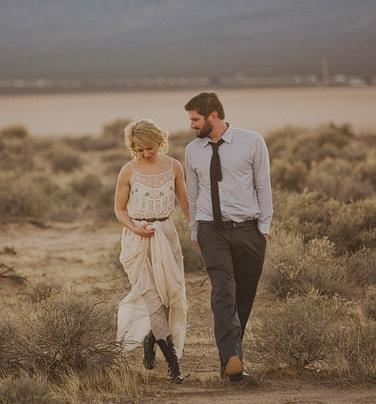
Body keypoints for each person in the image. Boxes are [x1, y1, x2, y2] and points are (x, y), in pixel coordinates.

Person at [183, 92, 272, 382]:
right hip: (211, 229)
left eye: (195, 119)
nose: (192, 126)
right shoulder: (192, 150)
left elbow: (263, 185)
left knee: (243, 297)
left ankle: (229, 361)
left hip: (249, 231)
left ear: (213, 116)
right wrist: (195, 230)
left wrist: (264, 229)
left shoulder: (252, 141)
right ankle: (233, 359)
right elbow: (193, 195)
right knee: (223, 291)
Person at [115, 119, 190, 383]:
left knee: (169, 300)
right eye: (139, 150)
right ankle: (174, 366)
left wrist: (197, 232)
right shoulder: (128, 171)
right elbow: (119, 210)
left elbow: (186, 205)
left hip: (166, 238)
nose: (145, 154)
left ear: (159, 142)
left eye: (150, 148)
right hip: (137, 243)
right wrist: (135, 229)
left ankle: (150, 339)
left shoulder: (174, 166)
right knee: (154, 303)